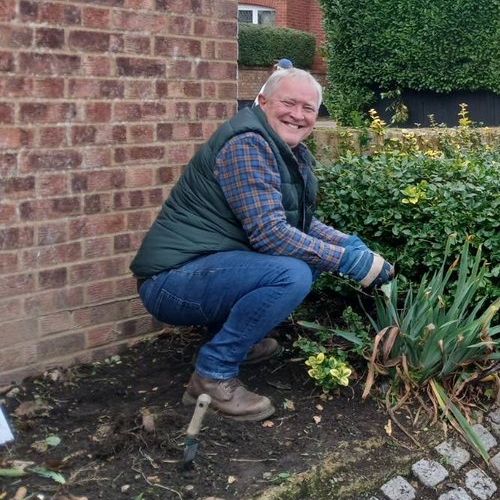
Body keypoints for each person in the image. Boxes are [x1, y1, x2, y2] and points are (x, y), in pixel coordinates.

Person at [130, 61, 392, 422]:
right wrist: (348, 262)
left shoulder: (281, 148)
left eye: (308, 108)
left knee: (305, 262)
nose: (297, 115)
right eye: (289, 103)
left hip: (204, 269)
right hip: (172, 282)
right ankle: (213, 372)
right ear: (262, 100)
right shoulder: (248, 144)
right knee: (292, 274)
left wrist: (348, 243)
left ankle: (237, 342)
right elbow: (271, 233)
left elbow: (297, 222)